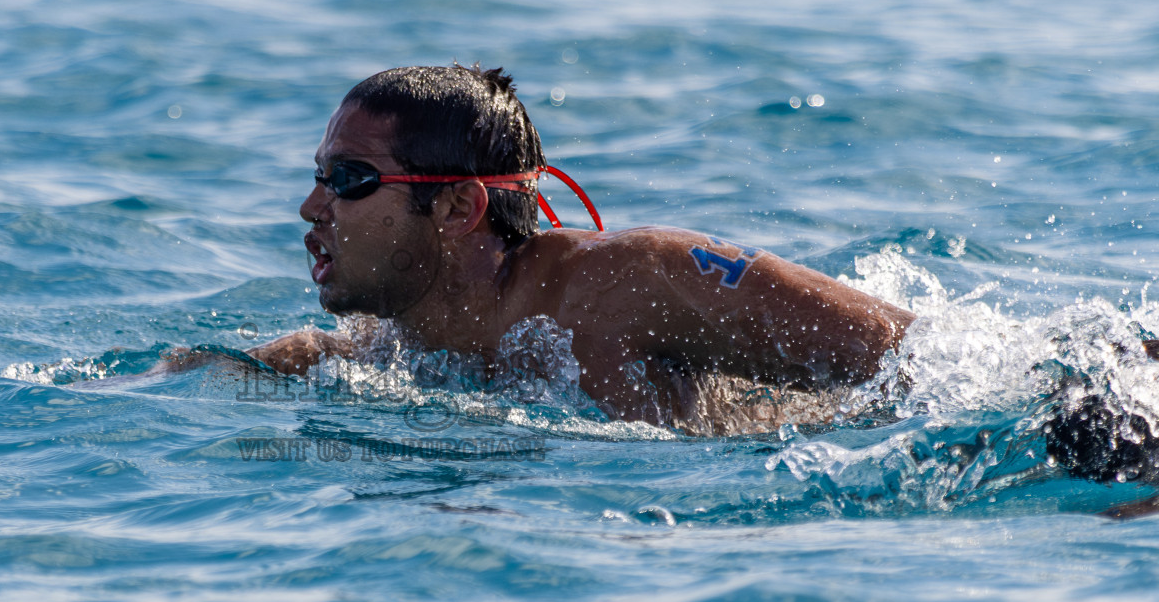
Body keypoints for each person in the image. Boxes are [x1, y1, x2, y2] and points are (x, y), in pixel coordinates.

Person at [235, 64, 916, 434]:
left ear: (457, 208)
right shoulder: (374, 349)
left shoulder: (639, 279)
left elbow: (918, 357)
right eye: (318, 176)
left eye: (348, 179)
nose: (312, 207)